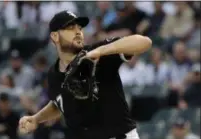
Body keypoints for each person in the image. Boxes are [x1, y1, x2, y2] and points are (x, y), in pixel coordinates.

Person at [18, 10, 152, 139]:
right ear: (55, 36)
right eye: (70, 27)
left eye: (79, 28)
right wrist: (37, 118)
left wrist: (102, 51)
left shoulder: (97, 53)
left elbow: (144, 42)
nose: (77, 31)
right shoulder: (54, 74)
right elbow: (59, 103)